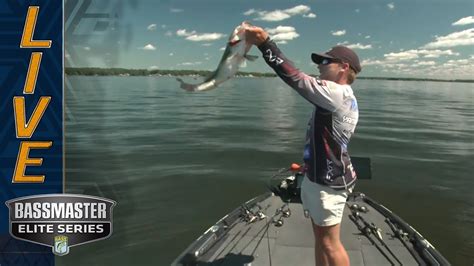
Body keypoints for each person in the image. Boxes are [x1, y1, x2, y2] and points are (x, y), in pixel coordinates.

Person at [245, 25, 361, 266]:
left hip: (327, 184)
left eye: (325, 61)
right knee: (321, 240)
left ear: (344, 67)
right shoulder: (347, 96)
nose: (319, 65)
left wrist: (265, 43)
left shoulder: (335, 93)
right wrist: (309, 165)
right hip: (325, 176)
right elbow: (328, 142)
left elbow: (294, 77)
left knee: (330, 243)